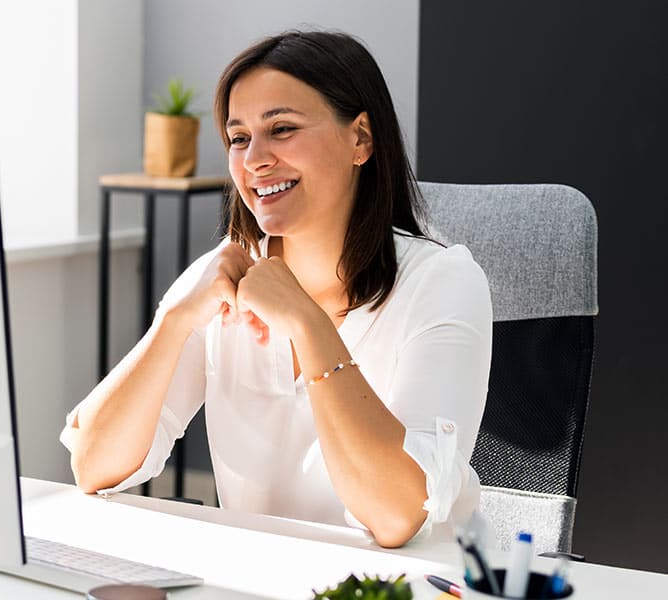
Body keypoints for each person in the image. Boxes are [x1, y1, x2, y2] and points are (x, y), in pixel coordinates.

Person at [62, 30, 492, 548]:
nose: (253, 160)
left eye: (281, 129)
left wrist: (308, 325)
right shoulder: (222, 276)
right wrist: (172, 320)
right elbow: (93, 467)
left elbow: (398, 515)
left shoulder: (443, 282)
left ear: (360, 139)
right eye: (238, 138)